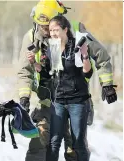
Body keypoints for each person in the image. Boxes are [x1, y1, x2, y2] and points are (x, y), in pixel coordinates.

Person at [18, 0, 117, 160]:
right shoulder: (31, 37)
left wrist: (107, 85)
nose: (44, 30)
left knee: (75, 150)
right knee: (39, 148)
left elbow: (102, 57)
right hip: (47, 103)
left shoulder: (77, 32)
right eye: (40, 25)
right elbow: (24, 71)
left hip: (75, 101)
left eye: (47, 25)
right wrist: (24, 97)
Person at [47, 15, 93, 161]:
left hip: (77, 101)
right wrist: (36, 65)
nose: (53, 33)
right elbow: (51, 74)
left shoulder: (77, 45)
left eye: (56, 30)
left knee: (78, 142)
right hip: (58, 100)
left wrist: (85, 55)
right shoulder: (52, 47)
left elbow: (88, 72)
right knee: (53, 142)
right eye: (50, 30)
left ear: (65, 29)